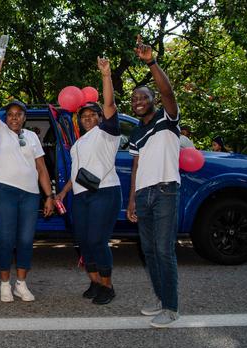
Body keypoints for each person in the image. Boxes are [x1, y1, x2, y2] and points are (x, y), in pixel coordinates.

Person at [0, 58, 55, 303]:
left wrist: (49, 196)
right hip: (3, 191)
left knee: (25, 239)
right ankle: (5, 284)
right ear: (7, 117)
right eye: (11, 114)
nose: (14, 118)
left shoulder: (33, 137)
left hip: (29, 195)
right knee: (5, 239)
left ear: (24, 117)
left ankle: (21, 284)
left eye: (19, 114)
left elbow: (42, 168)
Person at [56, 57, 122, 305]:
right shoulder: (79, 142)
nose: (88, 118)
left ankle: (108, 285)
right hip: (81, 195)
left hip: (104, 192)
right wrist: (63, 193)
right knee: (83, 241)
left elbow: (109, 103)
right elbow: (77, 173)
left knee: (97, 239)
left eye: (93, 114)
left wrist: (106, 75)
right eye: (83, 115)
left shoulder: (107, 134)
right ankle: (95, 282)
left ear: (100, 117)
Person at [126, 35, 181, 328]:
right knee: (148, 251)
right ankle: (161, 299)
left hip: (165, 191)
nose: (138, 101)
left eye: (143, 97)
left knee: (163, 249)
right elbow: (136, 166)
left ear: (154, 100)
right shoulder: (135, 133)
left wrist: (151, 62)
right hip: (144, 195)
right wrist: (132, 200)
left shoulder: (167, 118)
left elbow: (169, 92)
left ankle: (171, 308)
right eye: (134, 98)